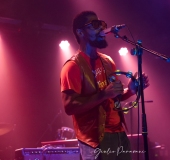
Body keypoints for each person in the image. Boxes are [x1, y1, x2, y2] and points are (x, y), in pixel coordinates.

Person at [60, 11, 149, 160]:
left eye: (101, 24)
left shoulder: (108, 61)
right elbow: (70, 106)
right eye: (94, 25)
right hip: (95, 140)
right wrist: (103, 94)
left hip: (119, 135)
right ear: (80, 32)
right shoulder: (72, 66)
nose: (101, 29)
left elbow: (113, 98)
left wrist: (131, 90)